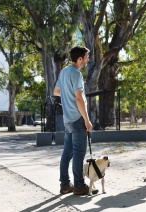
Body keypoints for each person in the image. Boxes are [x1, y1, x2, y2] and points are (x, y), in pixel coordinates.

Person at [54, 46, 94, 195]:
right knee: (78, 153)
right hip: (77, 118)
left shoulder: (63, 72)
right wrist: (87, 120)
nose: (88, 60)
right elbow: (78, 98)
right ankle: (79, 185)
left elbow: (56, 91)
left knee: (67, 152)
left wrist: (66, 94)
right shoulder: (76, 73)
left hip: (67, 119)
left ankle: (65, 185)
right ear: (80, 59)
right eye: (86, 57)